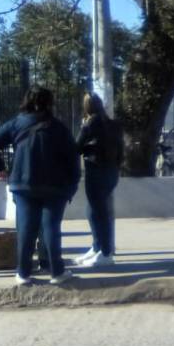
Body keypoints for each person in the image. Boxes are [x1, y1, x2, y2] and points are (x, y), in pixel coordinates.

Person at [0, 87, 81, 286]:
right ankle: (57, 272)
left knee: (26, 229)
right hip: (55, 187)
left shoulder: (16, 124)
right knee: (51, 229)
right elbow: (73, 159)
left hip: (23, 185)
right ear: (50, 102)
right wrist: (71, 187)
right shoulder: (58, 127)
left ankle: (23, 273)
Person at [74, 93, 123, 268]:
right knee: (95, 211)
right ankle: (97, 247)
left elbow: (77, 147)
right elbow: (121, 149)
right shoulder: (113, 124)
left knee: (98, 213)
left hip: (96, 171)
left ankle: (106, 252)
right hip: (111, 172)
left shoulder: (90, 123)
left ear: (87, 107)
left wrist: (86, 145)